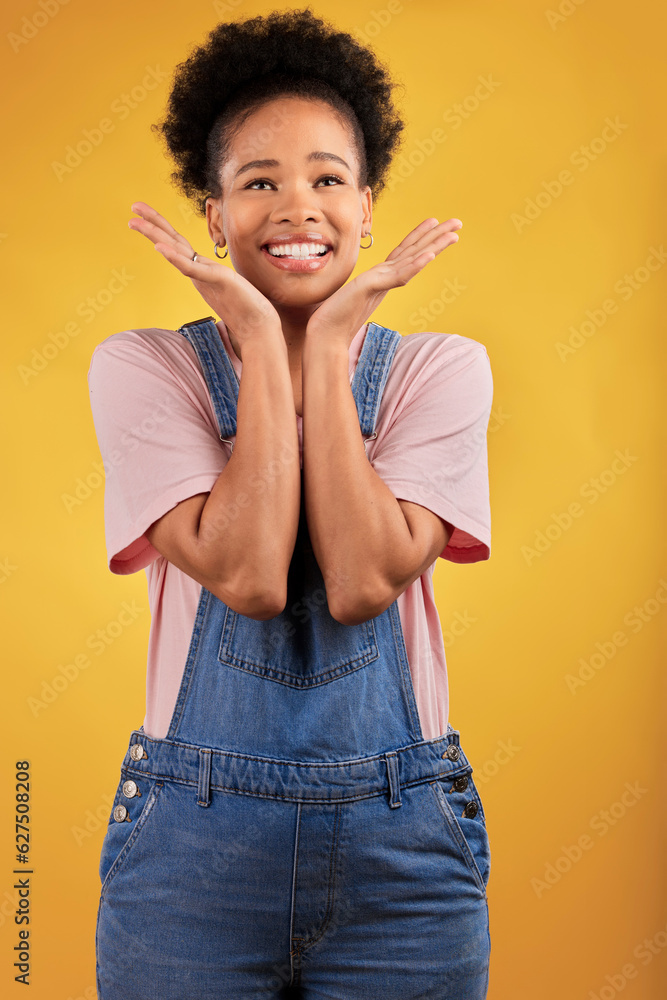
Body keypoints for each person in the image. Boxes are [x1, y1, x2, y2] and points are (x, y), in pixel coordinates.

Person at [88, 8, 494, 999]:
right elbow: (251, 574)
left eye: (325, 178)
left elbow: (360, 582)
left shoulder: (438, 371)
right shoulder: (146, 368)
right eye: (257, 182)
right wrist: (268, 342)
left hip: (404, 859)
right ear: (212, 213)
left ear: (367, 201)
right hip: (191, 853)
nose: (296, 206)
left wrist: (323, 347)